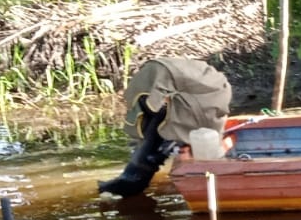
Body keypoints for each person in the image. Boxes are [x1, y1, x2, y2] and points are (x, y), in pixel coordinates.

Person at [99, 58, 232, 197]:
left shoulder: (204, 95)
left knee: (155, 135)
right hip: (168, 84)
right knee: (160, 138)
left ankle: (130, 180)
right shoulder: (211, 97)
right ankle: (133, 178)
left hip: (159, 78)